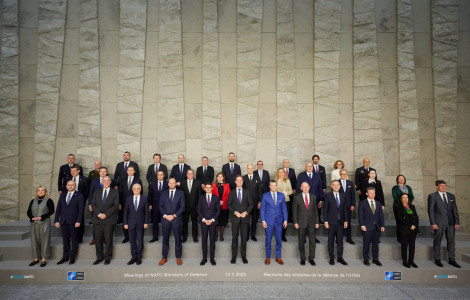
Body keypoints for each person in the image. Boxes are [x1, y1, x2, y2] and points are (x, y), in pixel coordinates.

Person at [428, 180, 461, 268]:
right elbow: (430, 211)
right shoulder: (432, 196)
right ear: (437, 187)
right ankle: (437, 259)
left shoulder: (451, 196)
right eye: (441, 185)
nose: (444, 187)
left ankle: (452, 259)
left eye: (445, 185)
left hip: (451, 223)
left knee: (451, 241)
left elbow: (455, 210)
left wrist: (457, 221)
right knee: (437, 241)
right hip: (439, 223)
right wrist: (433, 223)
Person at [91, 176, 119, 265]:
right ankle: (99, 257)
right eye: (104, 181)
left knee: (108, 239)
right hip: (97, 219)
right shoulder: (97, 192)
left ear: (110, 182)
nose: (106, 182)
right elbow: (93, 204)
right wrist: (99, 214)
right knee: (98, 240)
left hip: (109, 219)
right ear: (102, 182)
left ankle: (107, 257)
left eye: (108, 181)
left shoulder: (115, 192)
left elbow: (115, 206)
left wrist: (105, 214)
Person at [54, 180, 84, 265]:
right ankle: (65, 257)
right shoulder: (62, 195)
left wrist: (78, 221)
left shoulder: (79, 195)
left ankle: (72, 258)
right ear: (66, 186)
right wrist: (56, 220)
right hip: (63, 221)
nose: (70, 186)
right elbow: (58, 208)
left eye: (72, 185)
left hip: (74, 222)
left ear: (75, 186)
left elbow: (81, 210)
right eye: (69, 185)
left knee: (74, 240)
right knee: (65, 241)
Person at [159, 178, 185, 266]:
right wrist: (166, 216)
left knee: (178, 238)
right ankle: (164, 257)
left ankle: (178, 257)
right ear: (168, 184)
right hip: (165, 219)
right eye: (170, 183)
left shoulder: (181, 193)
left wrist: (173, 215)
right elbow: (160, 206)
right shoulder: (163, 193)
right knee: (165, 238)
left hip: (176, 219)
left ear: (175, 184)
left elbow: (182, 207)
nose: (172, 184)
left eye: (173, 183)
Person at [260, 180, 288, 265]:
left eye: (274, 185)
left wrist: (286, 220)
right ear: (269, 186)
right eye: (271, 185)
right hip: (268, 221)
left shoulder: (281, 195)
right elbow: (262, 209)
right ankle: (268, 257)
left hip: (279, 221)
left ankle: (278, 257)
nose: (273, 187)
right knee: (268, 240)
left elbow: (284, 208)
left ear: (277, 186)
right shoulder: (265, 195)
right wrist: (263, 220)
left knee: (279, 240)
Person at [27, 186, 55, 267]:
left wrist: (42, 217)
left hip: (44, 223)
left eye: (42, 190)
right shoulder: (33, 201)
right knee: (34, 241)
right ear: (36, 192)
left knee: (44, 240)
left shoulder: (49, 200)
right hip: (34, 223)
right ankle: (35, 259)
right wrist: (31, 217)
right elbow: (28, 211)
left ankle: (43, 259)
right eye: (39, 190)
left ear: (45, 192)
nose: (40, 192)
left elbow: (52, 211)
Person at [292, 182, 318, 266]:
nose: (306, 188)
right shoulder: (297, 197)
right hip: (301, 222)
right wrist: (295, 222)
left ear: (309, 187)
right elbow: (294, 211)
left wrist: (317, 222)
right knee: (301, 241)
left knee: (312, 241)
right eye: (304, 187)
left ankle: (311, 258)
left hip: (312, 222)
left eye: (307, 187)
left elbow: (316, 211)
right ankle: (302, 258)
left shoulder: (313, 197)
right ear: (301, 188)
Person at [228, 175, 253, 264]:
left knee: (243, 238)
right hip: (235, 218)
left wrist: (246, 212)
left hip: (245, 218)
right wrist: (235, 212)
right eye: (237, 180)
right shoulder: (231, 192)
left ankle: (243, 256)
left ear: (242, 182)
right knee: (234, 238)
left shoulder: (247, 192)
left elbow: (251, 205)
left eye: (241, 180)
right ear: (235, 182)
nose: (239, 182)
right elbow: (229, 205)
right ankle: (234, 256)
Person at [88, 167, 116, 245]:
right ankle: (95, 238)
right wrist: (90, 204)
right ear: (99, 172)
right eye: (101, 171)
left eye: (104, 171)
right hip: (96, 206)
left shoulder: (111, 181)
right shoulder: (94, 181)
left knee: (106, 224)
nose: (103, 173)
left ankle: (104, 238)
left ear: (106, 172)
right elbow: (91, 192)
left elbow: (112, 193)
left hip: (107, 206)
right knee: (96, 222)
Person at [323, 180, 348, 265]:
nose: (336, 186)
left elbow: (345, 209)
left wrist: (346, 220)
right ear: (331, 186)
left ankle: (340, 257)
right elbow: (325, 210)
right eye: (334, 185)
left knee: (340, 241)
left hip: (340, 222)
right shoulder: (328, 196)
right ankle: (332, 258)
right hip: (331, 222)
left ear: (340, 186)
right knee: (331, 240)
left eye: (337, 185)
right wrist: (325, 221)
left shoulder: (343, 196)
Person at [358, 186, 385, 266]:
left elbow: (381, 215)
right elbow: (360, 215)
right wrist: (362, 225)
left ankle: (375, 259)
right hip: (367, 227)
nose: (373, 194)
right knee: (366, 244)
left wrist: (382, 225)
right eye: (371, 193)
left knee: (376, 244)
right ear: (367, 193)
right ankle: (366, 259)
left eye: (374, 193)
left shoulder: (378, 203)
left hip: (377, 227)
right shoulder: (362, 203)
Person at [123, 183, 149, 265]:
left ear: (140, 190)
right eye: (135, 189)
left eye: (138, 188)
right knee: (132, 241)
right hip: (130, 223)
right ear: (132, 190)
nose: (136, 190)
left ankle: (139, 257)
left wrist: (146, 222)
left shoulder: (144, 198)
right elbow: (126, 212)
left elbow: (146, 212)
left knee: (140, 241)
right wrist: (125, 223)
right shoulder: (128, 199)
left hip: (141, 223)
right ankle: (133, 257)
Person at [296, 162, 322, 243]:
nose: (310, 168)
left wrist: (321, 199)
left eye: (311, 166)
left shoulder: (317, 175)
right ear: (305, 167)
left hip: (314, 200)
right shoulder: (301, 175)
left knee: (313, 218)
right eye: (308, 166)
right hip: (303, 200)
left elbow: (320, 187)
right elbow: (298, 188)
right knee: (303, 218)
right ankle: (303, 238)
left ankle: (313, 237)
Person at [197, 182, 221, 266]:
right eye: (206, 187)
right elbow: (198, 210)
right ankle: (204, 258)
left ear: (212, 188)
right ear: (204, 189)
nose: (207, 188)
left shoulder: (216, 198)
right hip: (203, 222)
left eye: (209, 187)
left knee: (212, 241)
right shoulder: (201, 198)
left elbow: (218, 210)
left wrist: (212, 219)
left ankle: (212, 258)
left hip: (213, 222)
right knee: (204, 240)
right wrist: (203, 219)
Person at [118, 165, 143, 243]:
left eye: (132, 170)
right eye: (129, 170)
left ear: (134, 171)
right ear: (127, 171)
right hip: (124, 203)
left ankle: (134, 236)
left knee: (134, 220)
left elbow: (141, 192)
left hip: (134, 203)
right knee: (125, 219)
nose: (130, 171)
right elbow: (120, 192)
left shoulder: (138, 180)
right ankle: (126, 236)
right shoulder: (122, 179)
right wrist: (119, 203)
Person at [395, 193, 419, 268]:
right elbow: (400, 219)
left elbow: (416, 218)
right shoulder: (398, 207)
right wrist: (410, 225)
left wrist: (415, 225)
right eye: (403, 197)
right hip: (404, 229)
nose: (405, 199)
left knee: (412, 246)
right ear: (400, 199)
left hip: (413, 230)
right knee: (404, 246)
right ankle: (405, 261)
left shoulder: (412, 206)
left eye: (406, 197)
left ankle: (411, 261)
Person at [67, 164, 88, 243]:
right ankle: (70, 237)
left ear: (78, 171)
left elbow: (87, 191)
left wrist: (82, 200)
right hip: (69, 202)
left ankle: (79, 237)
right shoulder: (68, 179)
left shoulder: (84, 179)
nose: (72, 172)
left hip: (80, 201)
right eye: (71, 171)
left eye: (74, 170)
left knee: (80, 218)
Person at [180, 169, 202, 243]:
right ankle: (184, 237)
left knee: (194, 222)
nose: (190, 175)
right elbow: (181, 196)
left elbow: (199, 195)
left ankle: (195, 237)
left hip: (194, 206)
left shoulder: (198, 183)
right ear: (186, 174)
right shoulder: (182, 183)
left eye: (191, 173)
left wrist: (198, 206)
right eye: (188, 173)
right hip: (185, 206)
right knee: (185, 222)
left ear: (193, 174)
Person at [242, 164, 262, 242]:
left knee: (254, 220)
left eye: (251, 168)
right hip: (246, 203)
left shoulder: (257, 178)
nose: (250, 169)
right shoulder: (244, 178)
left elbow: (260, 191)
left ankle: (253, 235)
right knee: (246, 220)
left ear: (253, 169)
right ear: (247, 169)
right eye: (248, 168)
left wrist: (260, 201)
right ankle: (246, 235)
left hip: (255, 203)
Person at [392, 174, 414, 242]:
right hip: (398, 206)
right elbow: (395, 196)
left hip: (407, 206)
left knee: (409, 220)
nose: (401, 180)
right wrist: (402, 203)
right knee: (399, 221)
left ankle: (408, 236)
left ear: (404, 180)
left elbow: (411, 196)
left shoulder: (408, 187)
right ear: (397, 180)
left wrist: (407, 203)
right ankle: (399, 237)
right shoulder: (395, 188)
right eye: (400, 178)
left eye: (403, 178)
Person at [148, 170, 168, 242]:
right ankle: (155, 237)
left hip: (165, 206)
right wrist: (149, 204)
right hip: (155, 206)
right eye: (158, 175)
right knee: (155, 222)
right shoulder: (152, 184)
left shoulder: (167, 183)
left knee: (165, 222)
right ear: (157, 176)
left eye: (161, 175)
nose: (160, 176)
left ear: (164, 176)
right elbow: (150, 195)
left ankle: (165, 236)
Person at [339, 169, 356, 244]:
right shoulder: (337, 183)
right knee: (339, 221)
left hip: (348, 206)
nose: (344, 175)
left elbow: (353, 195)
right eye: (342, 174)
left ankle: (349, 237)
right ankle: (339, 237)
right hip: (339, 206)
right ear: (340, 175)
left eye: (345, 174)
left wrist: (353, 204)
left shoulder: (350, 183)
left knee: (348, 221)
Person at [275, 168, 292, 242]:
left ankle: (283, 235)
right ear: (278, 173)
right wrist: (279, 193)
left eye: (282, 172)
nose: (281, 173)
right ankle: (278, 234)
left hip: (286, 201)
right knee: (278, 218)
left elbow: (291, 191)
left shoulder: (287, 181)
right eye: (280, 172)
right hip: (278, 202)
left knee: (285, 219)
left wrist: (285, 193)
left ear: (284, 173)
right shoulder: (275, 181)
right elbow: (273, 190)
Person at [212, 172, 230, 241]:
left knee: (223, 221)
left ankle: (221, 235)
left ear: (223, 178)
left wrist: (223, 201)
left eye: (221, 177)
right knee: (216, 221)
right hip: (215, 205)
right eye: (218, 177)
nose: (220, 178)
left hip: (224, 205)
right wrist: (218, 202)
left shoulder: (227, 185)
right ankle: (216, 235)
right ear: (216, 178)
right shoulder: (213, 185)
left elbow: (228, 194)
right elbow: (212, 194)